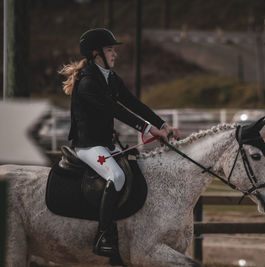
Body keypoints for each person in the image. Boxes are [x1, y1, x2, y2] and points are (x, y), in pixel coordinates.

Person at [58, 28, 179, 258]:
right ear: (96, 54)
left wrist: (163, 125)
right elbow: (116, 110)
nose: (115, 54)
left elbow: (133, 103)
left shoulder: (110, 78)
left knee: (136, 170)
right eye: (110, 50)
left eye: (114, 50)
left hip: (105, 144)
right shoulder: (88, 83)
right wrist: (147, 128)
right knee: (118, 176)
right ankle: (104, 235)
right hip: (87, 146)